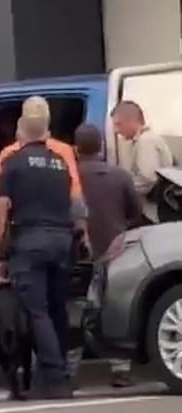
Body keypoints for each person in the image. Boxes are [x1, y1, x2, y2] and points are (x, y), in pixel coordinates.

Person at [0, 96, 87, 399]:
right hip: (61, 240)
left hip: (29, 241)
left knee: (36, 311)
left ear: (20, 130)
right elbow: (76, 202)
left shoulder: (10, 159)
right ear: (46, 129)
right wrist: (80, 236)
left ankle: (53, 377)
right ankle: (58, 375)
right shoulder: (62, 158)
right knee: (57, 309)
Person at [68, 124, 142, 388]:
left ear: (76, 148)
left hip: (78, 253)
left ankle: (70, 371)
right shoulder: (120, 175)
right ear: (101, 146)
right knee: (113, 307)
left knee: (75, 312)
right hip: (115, 251)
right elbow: (136, 212)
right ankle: (120, 369)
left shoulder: (70, 175)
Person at [111, 100, 174, 224]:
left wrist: (122, 190)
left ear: (131, 121)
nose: (115, 130)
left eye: (118, 124)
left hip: (152, 214)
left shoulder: (146, 142)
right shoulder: (141, 140)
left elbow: (147, 179)